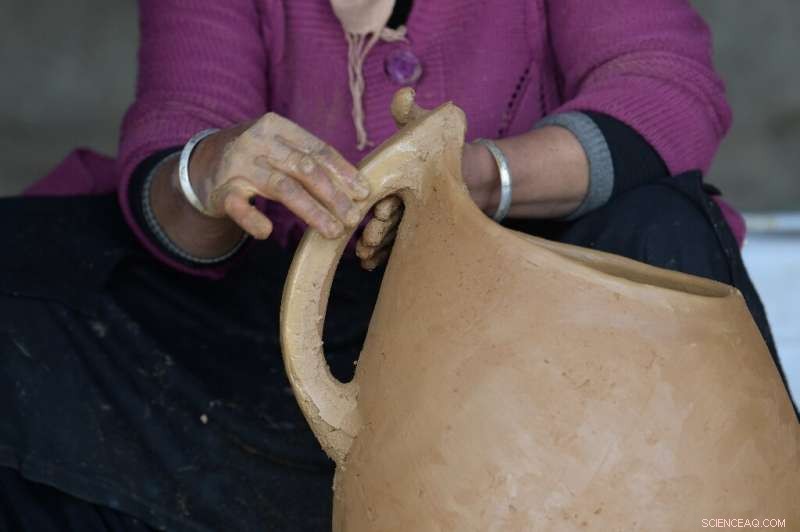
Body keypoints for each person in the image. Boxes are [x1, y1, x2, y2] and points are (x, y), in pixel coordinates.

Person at [0, 0, 787, 530]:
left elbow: (664, 85)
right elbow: (178, 140)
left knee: (661, 230)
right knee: (29, 271)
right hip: (298, 353)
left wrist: (469, 180)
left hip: (536, 340)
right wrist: (210, 174)